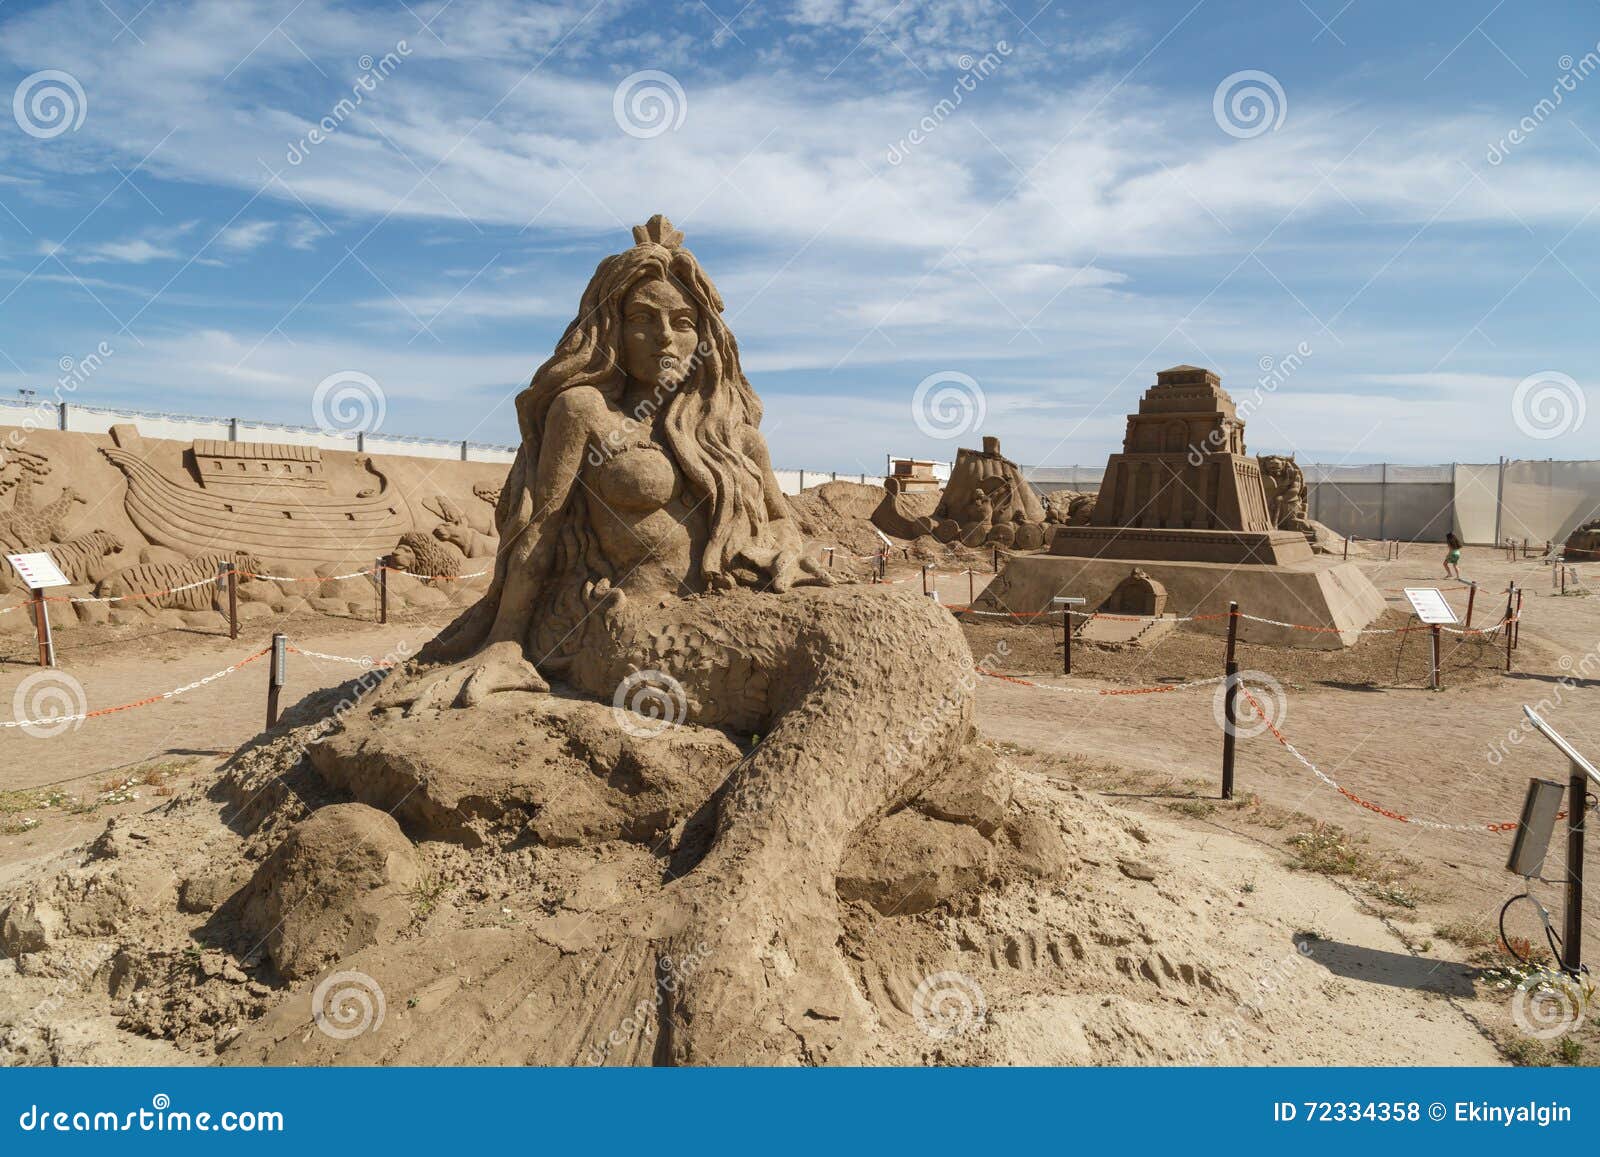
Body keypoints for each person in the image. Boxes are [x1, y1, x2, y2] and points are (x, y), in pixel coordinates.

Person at [377, 215, 974, 1064]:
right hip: (627, 630)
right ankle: (754, 892)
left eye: (683, 320)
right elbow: (537, 531)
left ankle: (758, 877)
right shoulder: (583, 410)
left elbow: (783, 526)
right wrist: (505, 640)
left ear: (707, 334)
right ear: (609, 325)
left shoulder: (728, 431)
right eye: (644, 316)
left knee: (908, 625)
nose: (664, 335)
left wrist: (783, 551)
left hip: (717, 612)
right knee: (889, 638)